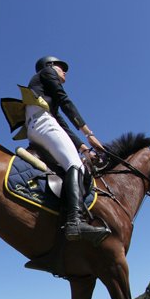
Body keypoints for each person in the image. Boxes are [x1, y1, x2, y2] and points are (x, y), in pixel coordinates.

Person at [24, 56, 110, 244]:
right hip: (43, 123)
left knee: (70, 166)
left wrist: (84, 149)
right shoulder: (47, 73)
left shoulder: (44, 93)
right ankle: (74, 222)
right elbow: (65, 100)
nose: (65, 72)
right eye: (61, 67)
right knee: (76, 165)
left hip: (38, 126)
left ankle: (61, 213)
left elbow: (62, 124)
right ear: (50, 66)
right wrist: (88, 133)